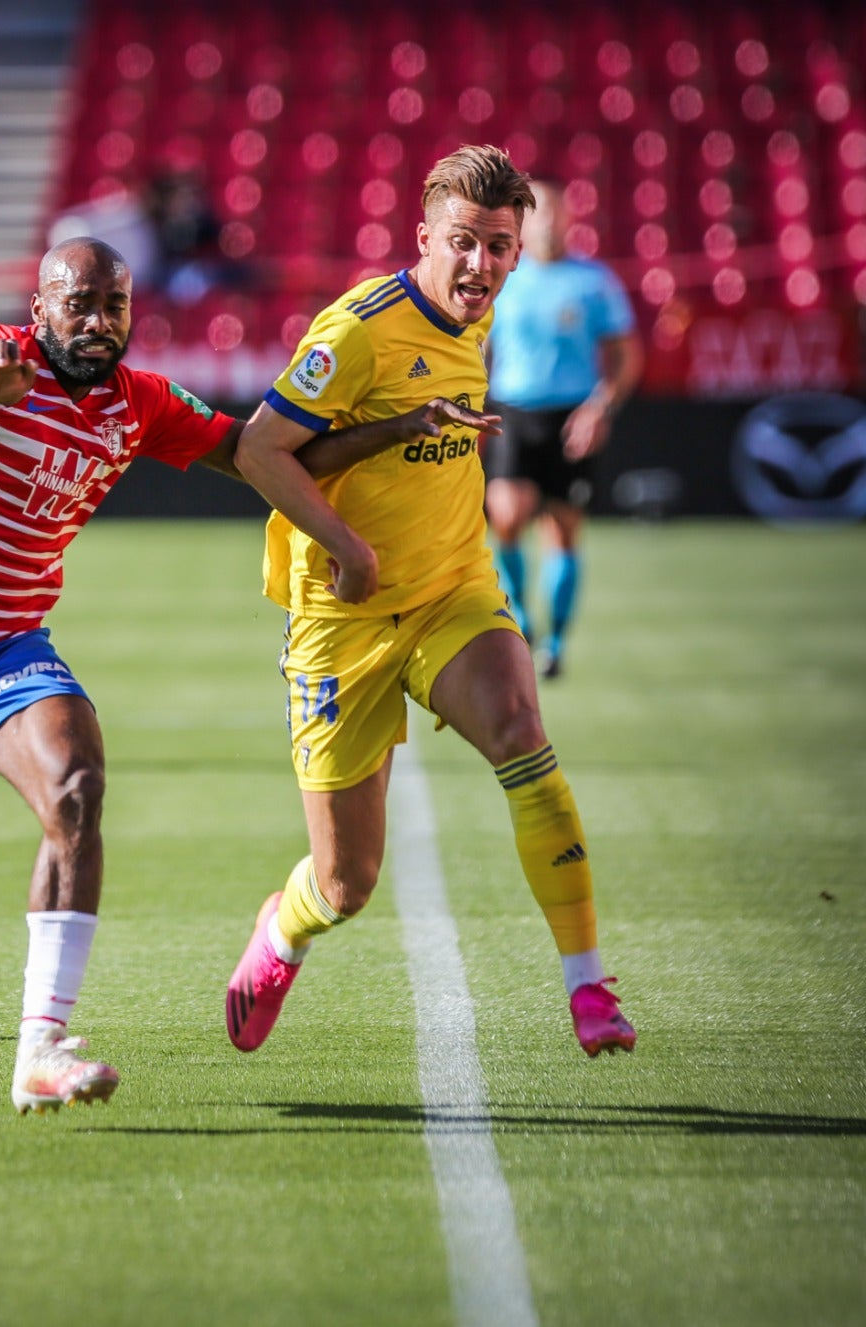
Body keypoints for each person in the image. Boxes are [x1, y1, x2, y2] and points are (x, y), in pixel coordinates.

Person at [0, 236, 497, 1114]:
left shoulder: (139, 405)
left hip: (5, 648)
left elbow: (265, 455)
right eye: (79, 303)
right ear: (41, 310)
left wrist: (399, 428)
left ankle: (41, 1045)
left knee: (77, 788)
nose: (99, 322)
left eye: (115, 306)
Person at [226, 145, 637, 1062]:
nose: (480, 265)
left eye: (500, 246)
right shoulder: (360, 329)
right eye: (463, 243)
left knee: (524, 732)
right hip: (343, 617)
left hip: (453, 589)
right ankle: (281, 935)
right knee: (345, 882)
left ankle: (589, 984)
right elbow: (259, 450)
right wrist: (350, 547)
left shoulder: (480, 320)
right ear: (423, 239)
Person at [485, 178, 643, 679]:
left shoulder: (593, 281)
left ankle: (555, 643)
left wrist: (600, 408)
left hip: (573, 415)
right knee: (505, 515)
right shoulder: (503, 280)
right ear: (522, 223)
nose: (548, 222)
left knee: (563, 529)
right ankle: (524, 618)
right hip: (514, 411)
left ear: (570, 219)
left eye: (556, 213)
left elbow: (625, 357)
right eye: (538, 213)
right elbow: (481, 350)